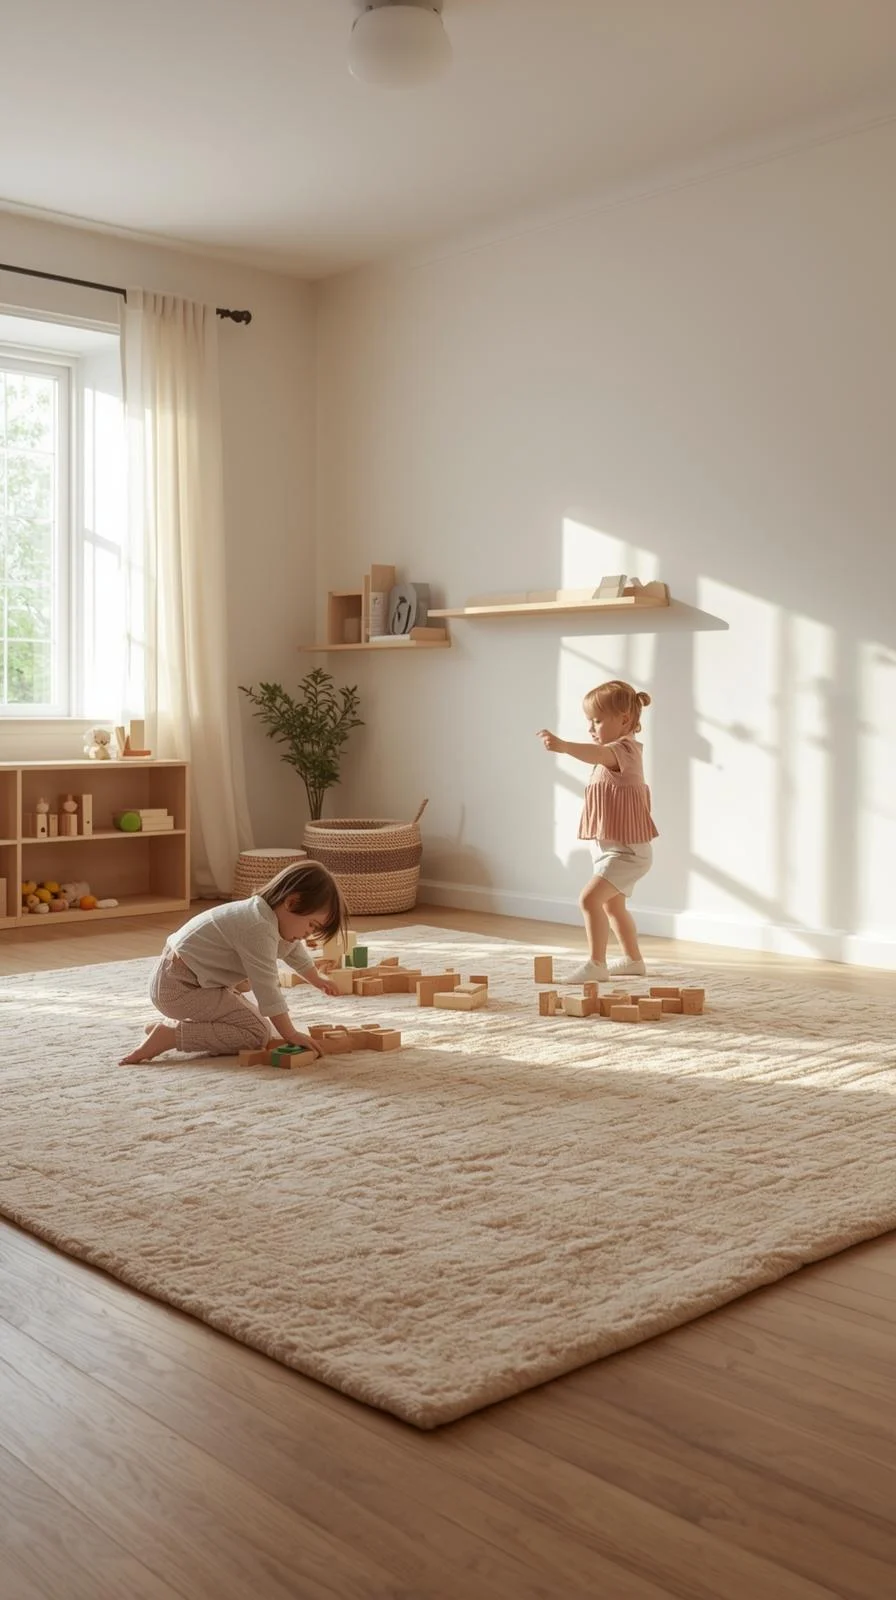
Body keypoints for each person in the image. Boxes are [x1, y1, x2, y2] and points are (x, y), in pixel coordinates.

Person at [119, 860, 348, 1064]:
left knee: (252, 1013)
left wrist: (316, 979)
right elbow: (267, 988)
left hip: (183, 979)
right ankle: (169, 1037)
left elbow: (292, 949)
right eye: (312, 926)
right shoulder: (258, 929)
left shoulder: (265, 915)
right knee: (256, 1033)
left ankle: (178, 1031)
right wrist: (291, 1034)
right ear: (292, 902)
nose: (308, 935)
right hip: (178, 989)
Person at [537, 679, 658, 983]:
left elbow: (597, 755)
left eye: (598, 720)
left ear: (625, 720)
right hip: (611, 849)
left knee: (589, 900)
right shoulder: (613, 751)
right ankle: (633, 960)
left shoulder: (625, 750)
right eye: (589, 721)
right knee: (612, 905)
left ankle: (596, 964)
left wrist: (564, 747)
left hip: (627, 852)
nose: (591, 728)